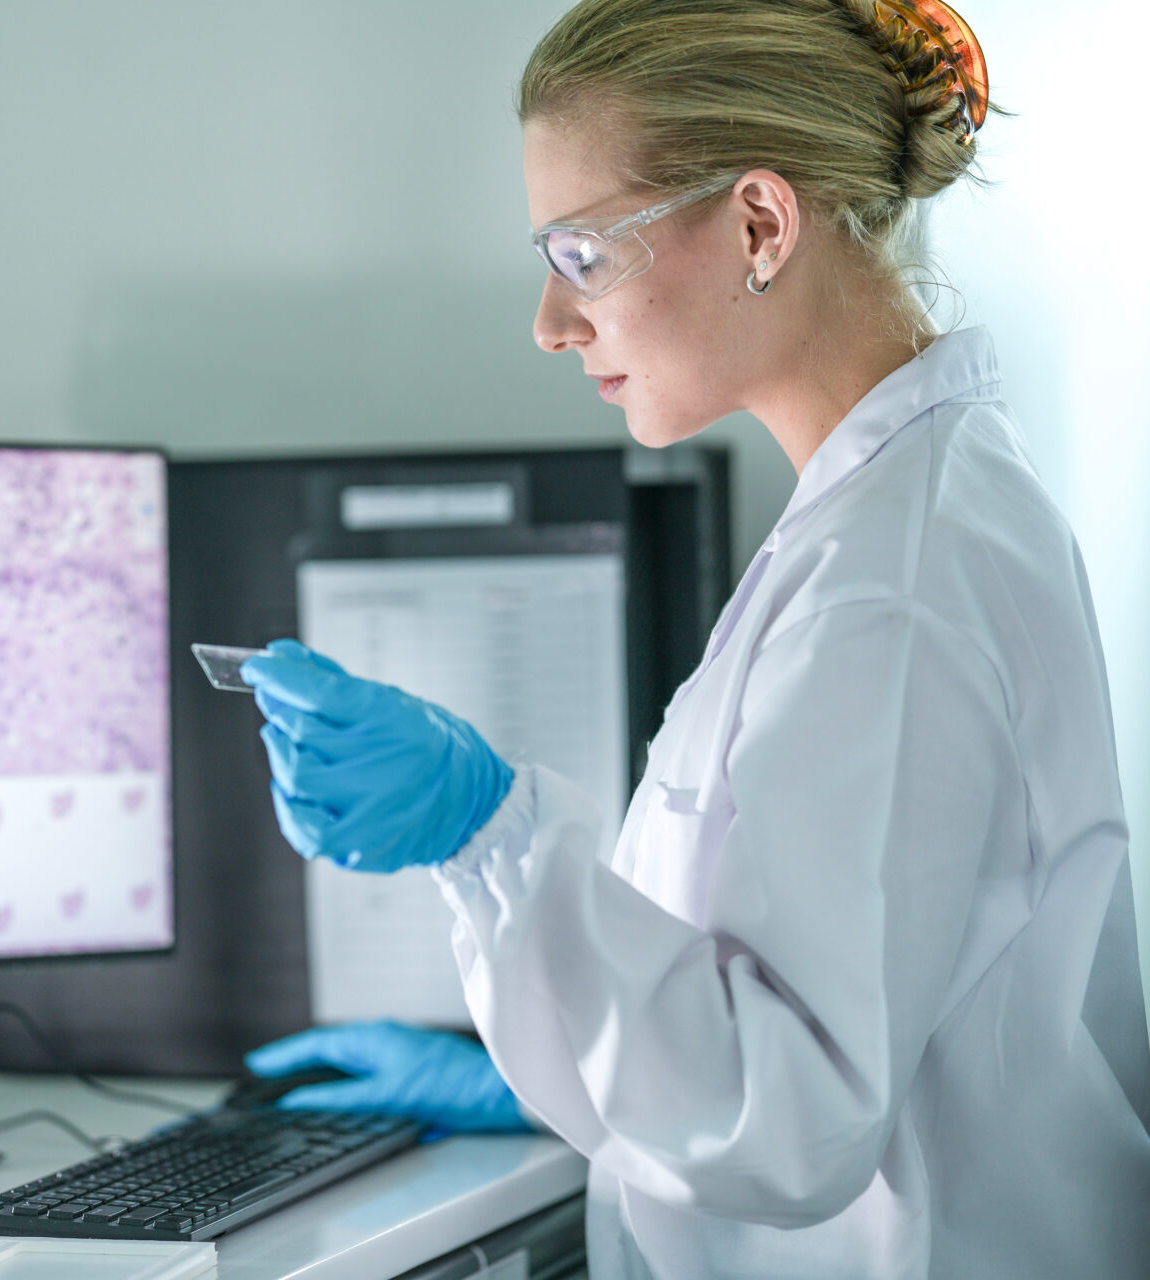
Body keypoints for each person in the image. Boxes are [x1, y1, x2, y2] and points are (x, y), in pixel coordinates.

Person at [236, 0, 1150, 1274]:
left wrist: (486, 837)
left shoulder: (886, 583)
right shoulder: (888, 509)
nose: (552, 323)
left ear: (762, 225)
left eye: (582, 255)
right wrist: (541, 1063)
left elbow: (791, 1120)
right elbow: (832, 1001)